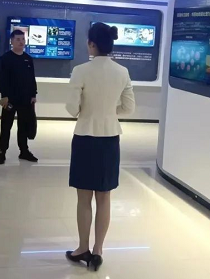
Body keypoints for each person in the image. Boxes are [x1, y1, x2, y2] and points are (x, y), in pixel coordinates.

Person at [64, 23, 135, 272]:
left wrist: (88, 109)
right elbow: (129, 108)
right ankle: (98, 251)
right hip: (109, 138)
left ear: (91, 44)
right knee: (104, 197)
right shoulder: (122, 71)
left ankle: (82, 248)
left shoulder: (80, 70)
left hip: (85, 137)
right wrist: (108, 111)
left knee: (84, 197)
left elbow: (72, 108)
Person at [0, 29, 38, 165]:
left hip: (25, 99)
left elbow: (31, 78)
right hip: (10, 99)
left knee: (23, 126)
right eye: (18, 39)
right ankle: (2, 151)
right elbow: (2, 79)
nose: (21, 42)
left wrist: (33, 94)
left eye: (23, 39)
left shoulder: (28, 59)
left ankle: (24, 150)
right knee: (6, 126)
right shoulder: (5, 58)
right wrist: (4, 95)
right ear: (12, 41)